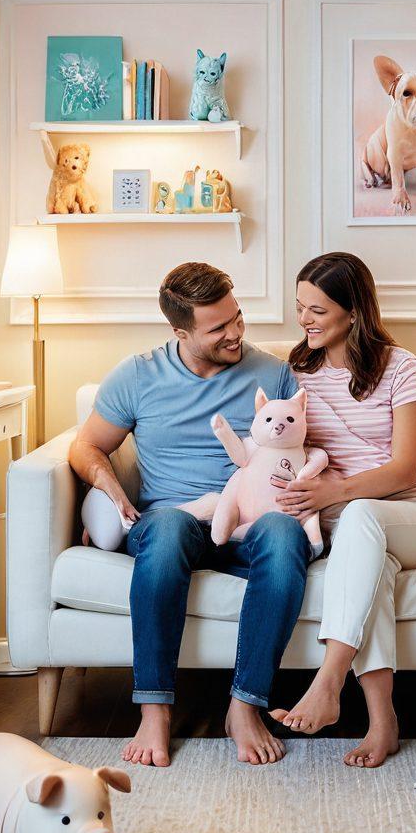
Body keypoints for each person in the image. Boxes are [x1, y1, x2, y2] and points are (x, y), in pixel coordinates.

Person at [69, 262, 312, 768]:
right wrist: (109, 482)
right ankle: (154, 711)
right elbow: (86, 446)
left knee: (285, 534)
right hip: (172, 521)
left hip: (246, 522)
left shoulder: (273, 373)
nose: (235, 333)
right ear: (180, 331)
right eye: (218, 328)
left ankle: (245, 706)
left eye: (238, 318)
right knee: (168, 527)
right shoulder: (138, 376)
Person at [270, 252, 416, 767]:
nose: (303, 319)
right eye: (299, 307)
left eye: (317, 310)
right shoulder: (296, 372)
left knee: (362, 517)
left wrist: (334, 493)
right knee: (371, 574)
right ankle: (382, 722)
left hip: (414, 518)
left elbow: (403, 468)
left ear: (354, 312)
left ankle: (327, 684)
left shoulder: (401, 367)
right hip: (352, 530)